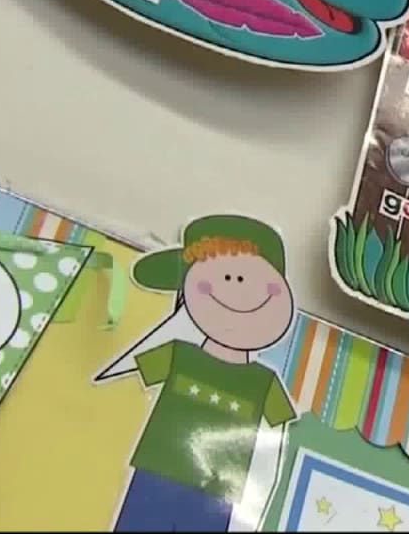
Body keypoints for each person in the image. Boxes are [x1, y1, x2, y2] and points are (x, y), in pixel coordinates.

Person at [107, 215, 298, 532]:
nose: (235, 287)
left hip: (217, 493)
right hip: (155, 474)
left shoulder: (266, 383)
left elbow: (281, 444)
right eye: (223, 277)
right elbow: (123, 390)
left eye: (246, 278)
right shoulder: (177, 353)